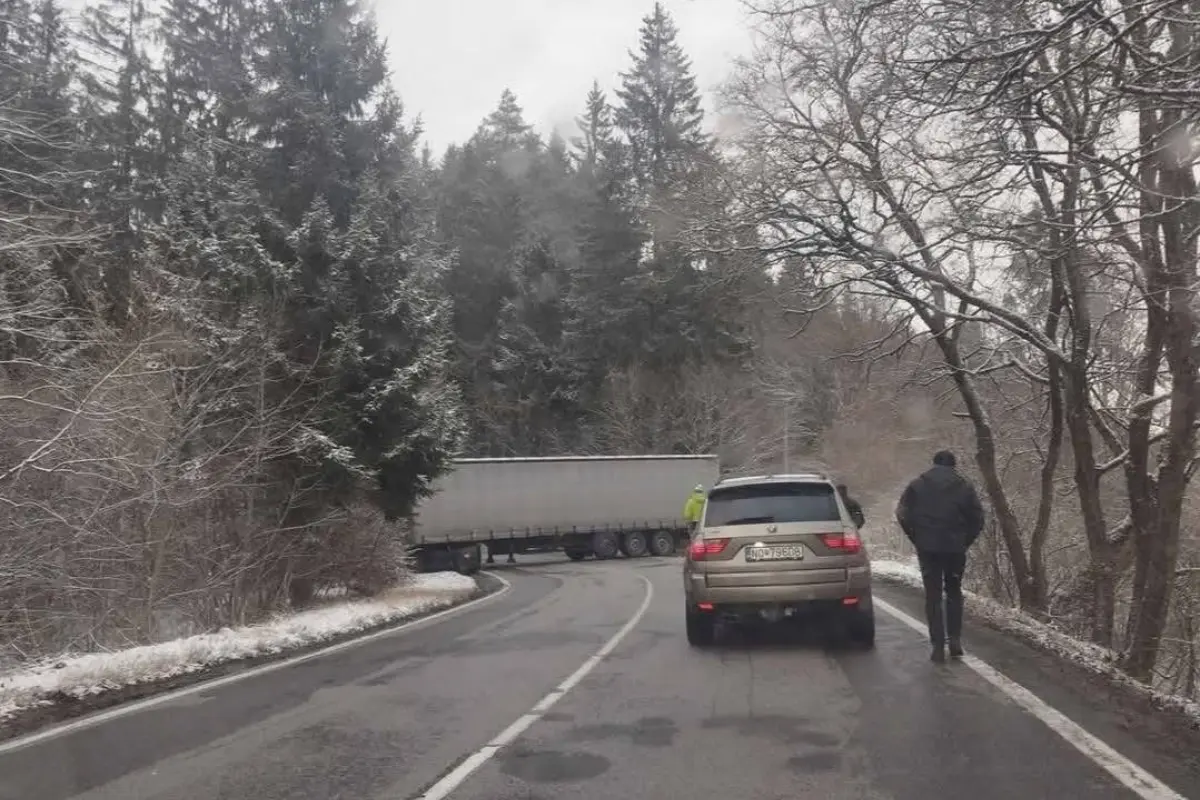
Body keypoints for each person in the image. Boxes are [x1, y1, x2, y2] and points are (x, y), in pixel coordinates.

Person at [895, 450, 984, 663]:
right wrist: (964, 541)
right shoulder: (964, 486)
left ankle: (937, 646)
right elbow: (978, 518)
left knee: (933, 596)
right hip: (954, 548)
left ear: (934, 464)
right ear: (953, 465)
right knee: (953, 591)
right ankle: (955, 640)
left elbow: (902, 513)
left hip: (928, 548)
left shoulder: (917, 485)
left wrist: (917, 537)